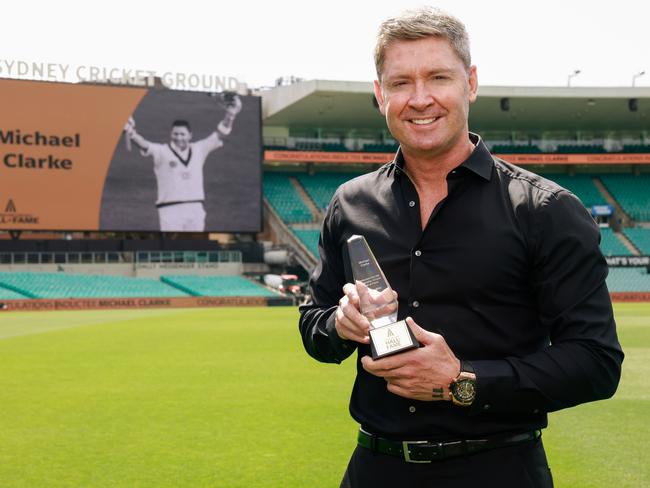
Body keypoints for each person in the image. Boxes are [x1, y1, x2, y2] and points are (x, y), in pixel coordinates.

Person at [298, 7, 623, 488]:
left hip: (499, 469)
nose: (420, 98)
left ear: (470, 83)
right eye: (401, 82)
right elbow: (314, 325)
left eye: (438, 77)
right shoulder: (351, 203)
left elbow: (597, 362)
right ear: (379, 93)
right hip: (375, 467)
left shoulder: (545, 209)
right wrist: (340, 326)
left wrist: (462, 379)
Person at [123, 93, 242, 231]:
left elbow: (221, 133)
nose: (179, 137)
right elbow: (144, 144)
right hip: (170, 210)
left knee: (196, 245)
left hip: (195, 208)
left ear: (190, 135)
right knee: (173, 245)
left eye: (182, 134)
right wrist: (131, 133)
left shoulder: (199, 149)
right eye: (175, 134)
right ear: (171, 134)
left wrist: (231, 115)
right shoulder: (162, 151)